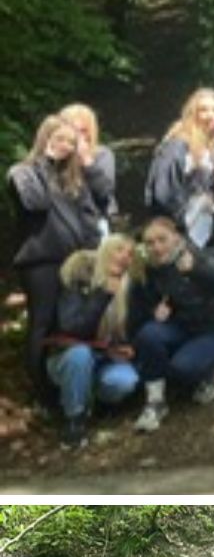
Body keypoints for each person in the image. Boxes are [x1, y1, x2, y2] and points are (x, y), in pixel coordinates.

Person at [9, 113, 108, 405]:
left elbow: (90, 216)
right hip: (41, 262)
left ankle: (73, 388)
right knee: (43, 322)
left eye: (70, 142)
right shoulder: (22, 172)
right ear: (45, 139)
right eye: (59, 140)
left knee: (70, 321)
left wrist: (91, 254)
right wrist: (45, 161)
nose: (65, 146)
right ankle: (42, 394)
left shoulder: (72, 178)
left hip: (75, 261)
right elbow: (35, 203)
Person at [131, 217, 214, 432]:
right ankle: (155, 402)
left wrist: (197, 270)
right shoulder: (148, 270)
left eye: (161, 240)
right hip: (178, 330)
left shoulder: (196, 256)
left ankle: (211, 373)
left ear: (176, 238)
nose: (156, 247)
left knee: (181, 368)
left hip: (211, 330)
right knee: (148, 334)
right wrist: (153, 312)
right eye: (150, 243)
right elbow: (135, 316)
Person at [44, 234, 143, 449]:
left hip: (104, 359)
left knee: (125, 382)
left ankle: (91, 403)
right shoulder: (79, 278)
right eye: (119, 249)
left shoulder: (129, 287)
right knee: (80, 355)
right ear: (106, 250)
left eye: (130, 254)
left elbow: (134, 328)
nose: (125, 256)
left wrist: (129, 346)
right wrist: (102, 296)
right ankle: (75, 420)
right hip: (67, 358)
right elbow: (72, 327)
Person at [145, 88, 214, 246]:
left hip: (203, 231)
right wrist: (178, 226)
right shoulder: (178, 145)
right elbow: (162, 193)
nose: (210, 115)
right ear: (193, 113)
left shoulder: (213, 148)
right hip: (179, 232)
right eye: (203, 110)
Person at [60, 103, 117, 232]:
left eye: (83, 131)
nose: (78, 136)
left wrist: (86, 161)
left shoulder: (102, 155)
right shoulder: (56, 158)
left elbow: (104, 194)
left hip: (95, 222)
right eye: (73, 130)